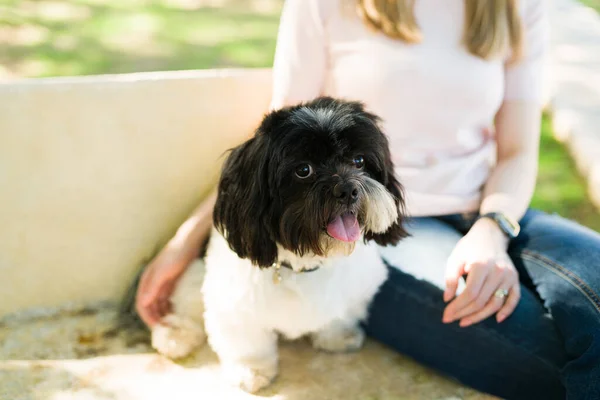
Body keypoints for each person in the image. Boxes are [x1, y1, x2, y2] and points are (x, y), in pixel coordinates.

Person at [136, 1, 600, 398]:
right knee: (538, 350)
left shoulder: (514, 6)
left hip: (496, 206)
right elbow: (275, 143)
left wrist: (491, 229)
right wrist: (186, 240)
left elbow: (518, 151)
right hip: (369, 230)